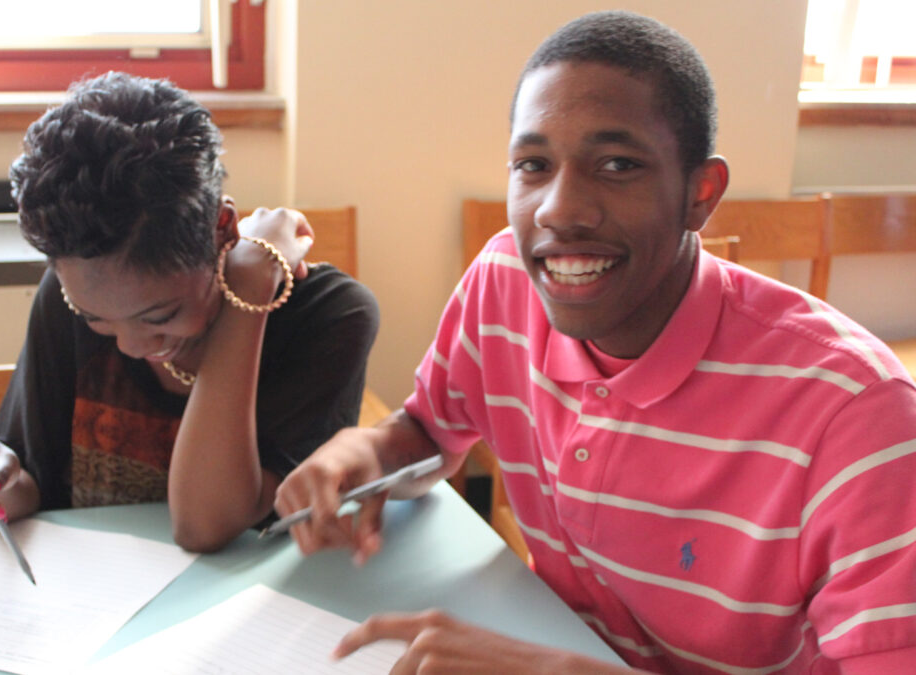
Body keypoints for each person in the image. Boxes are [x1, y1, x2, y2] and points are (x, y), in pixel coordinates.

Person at [274, 11, 916, 673]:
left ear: (701, 193)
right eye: (533, 164)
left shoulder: (858, 414)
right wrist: (368, 448)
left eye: (617, 164)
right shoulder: (504, 284)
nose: (559, 208)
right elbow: (431, 429)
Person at [0, 72, 379, 553]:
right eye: (93, 318)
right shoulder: (68, 297)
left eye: (160, 316)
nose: (130, 346)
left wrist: (250, 290)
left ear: (223, 229)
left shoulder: (330, 318)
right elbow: (32, 489)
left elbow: (205, 524)